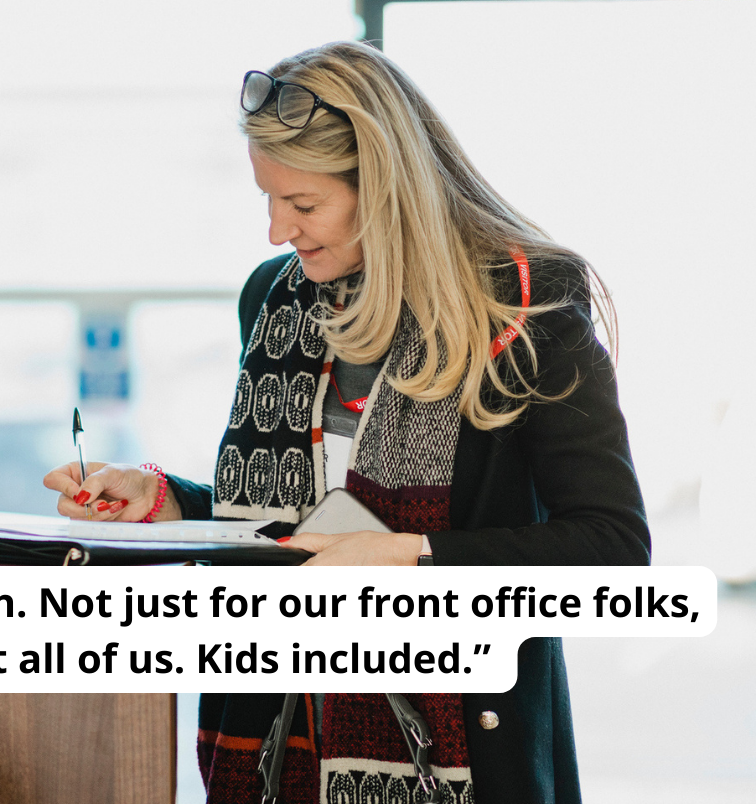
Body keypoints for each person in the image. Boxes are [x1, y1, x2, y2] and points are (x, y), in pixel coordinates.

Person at [43, 40, 650, 804]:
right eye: (267, 199)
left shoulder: (527, 306)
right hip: (279, 739)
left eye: (303, 205)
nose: (276, 231)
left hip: (460, 748)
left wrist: (409, 557)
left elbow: (611, 549)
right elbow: (291, 525)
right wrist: (168, 500)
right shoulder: (276, 299)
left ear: (391, 192)